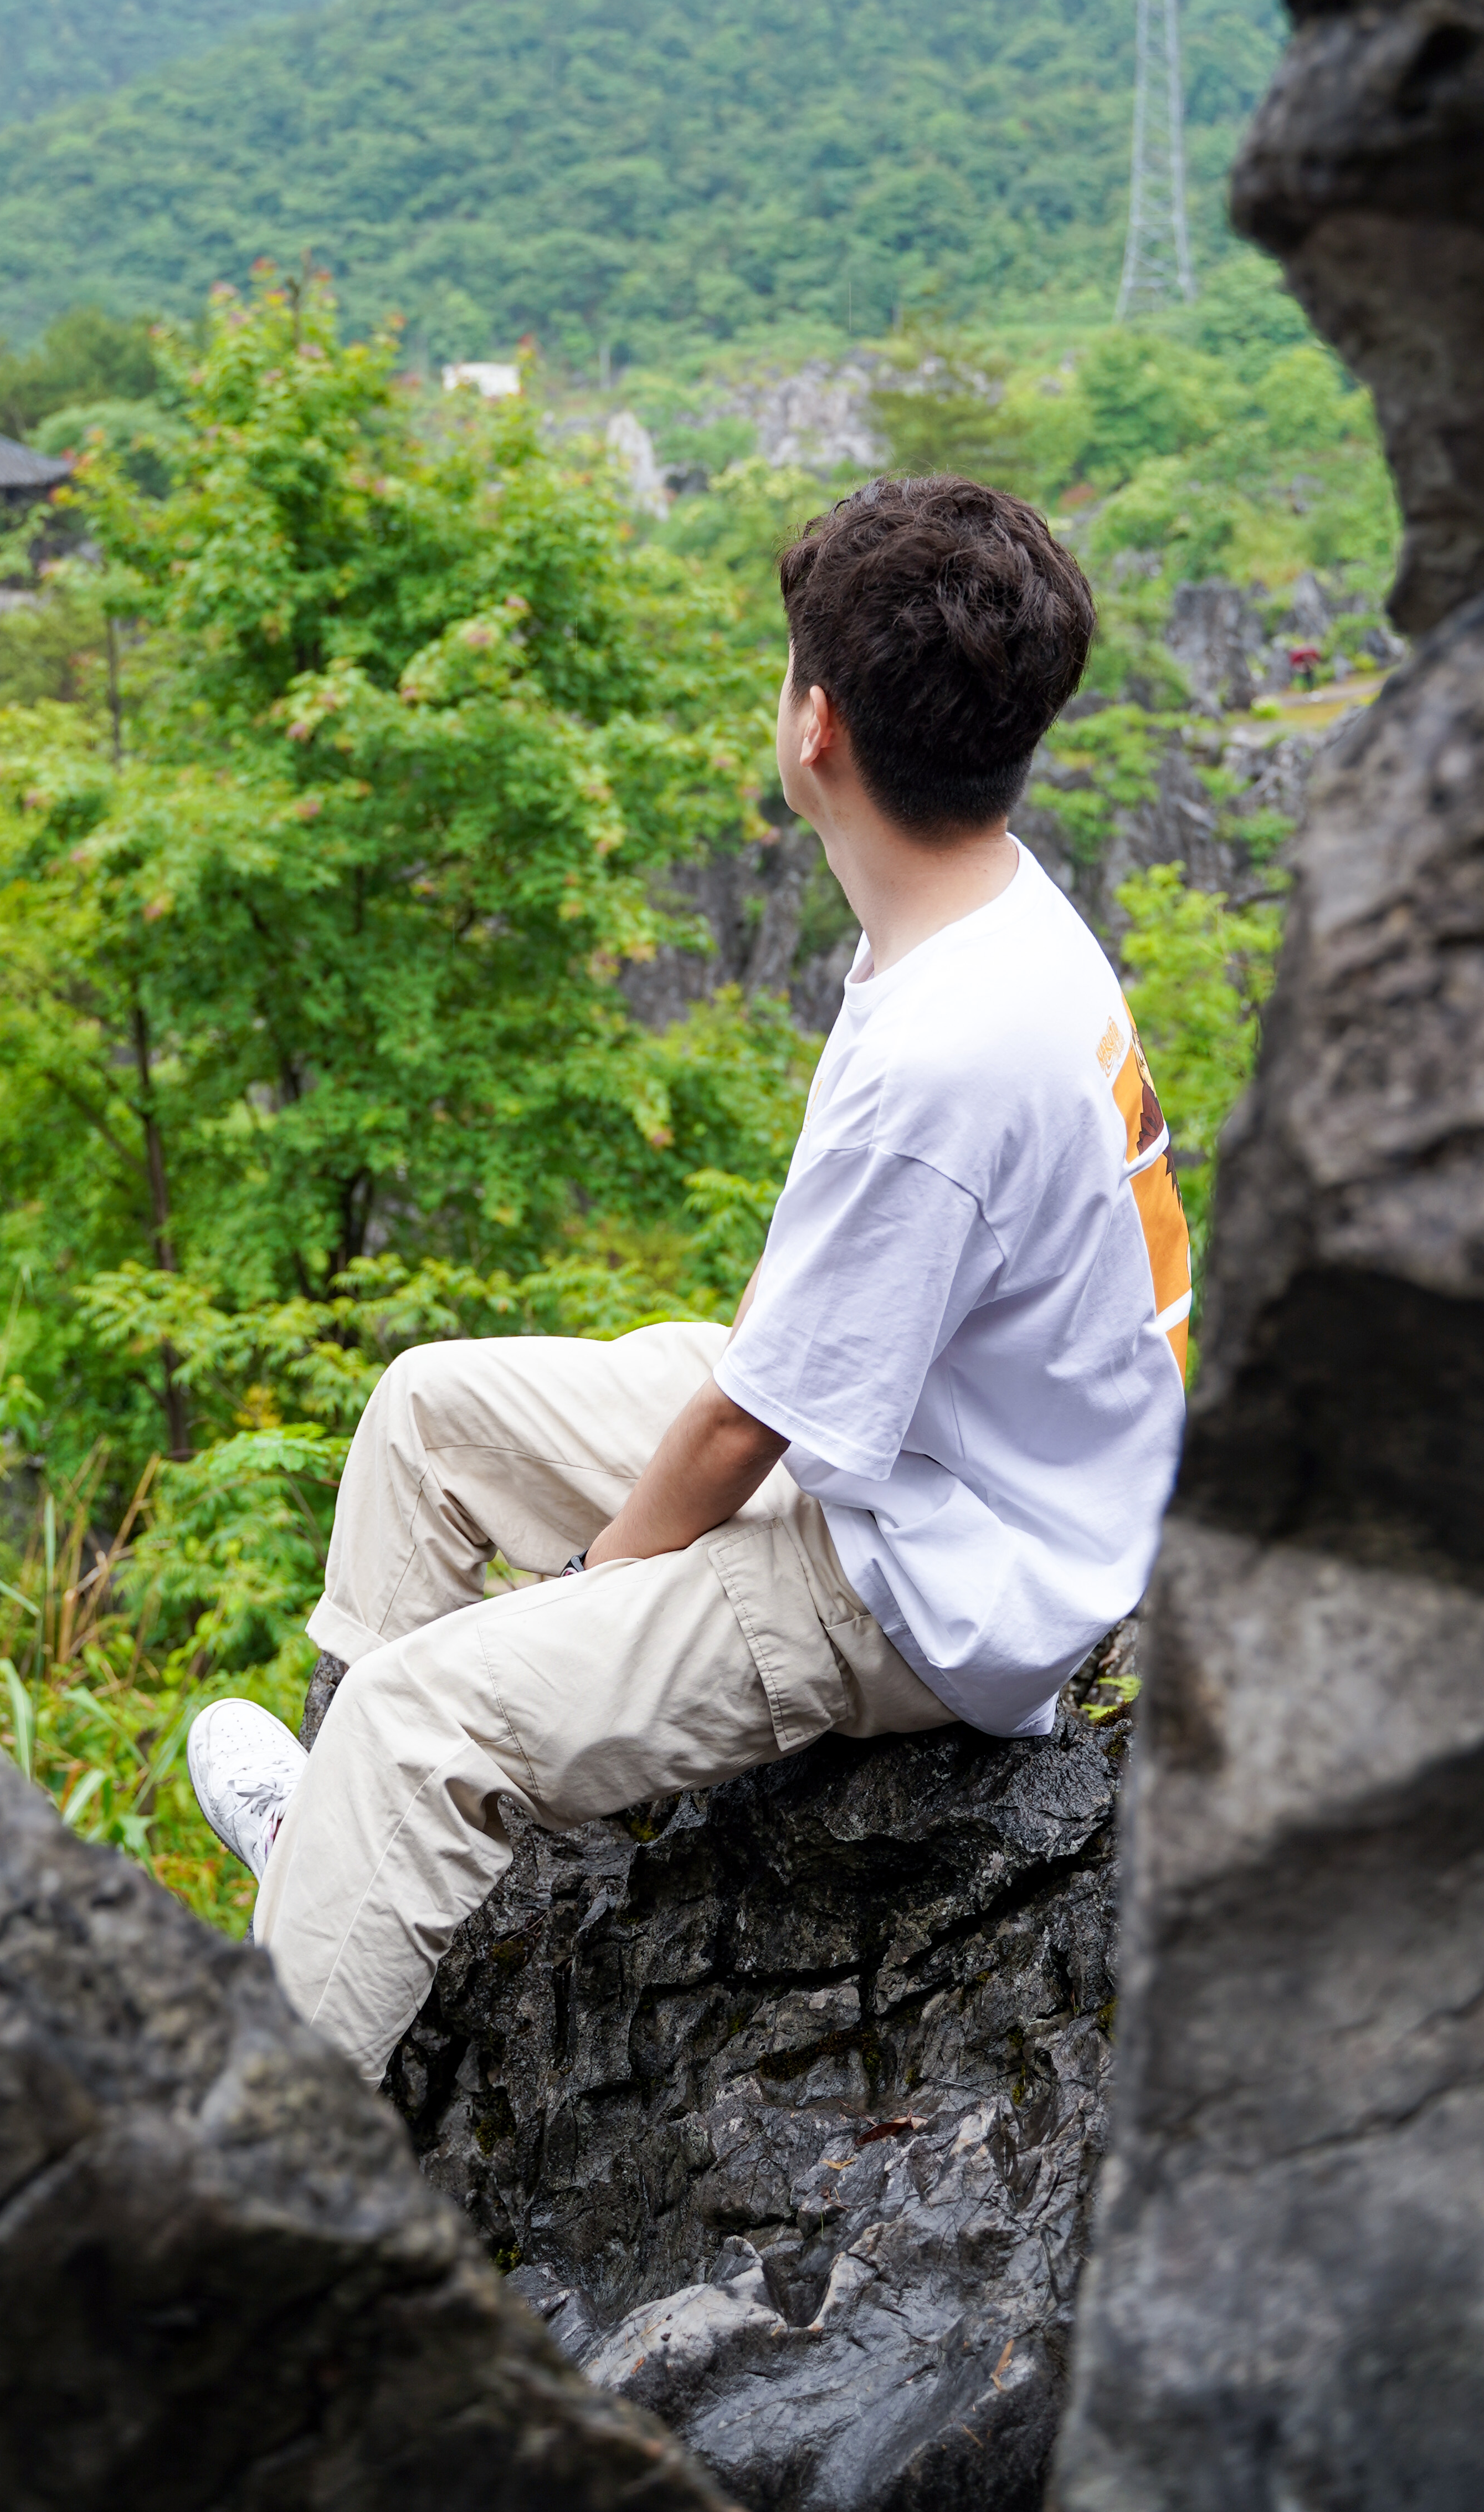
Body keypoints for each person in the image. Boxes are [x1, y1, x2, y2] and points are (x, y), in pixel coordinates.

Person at [186, 475, 1191, 2086]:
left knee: (416, 1723)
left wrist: (598, 1585)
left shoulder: (950, 1053)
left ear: (815, 727)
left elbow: (745, 1430)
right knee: (429, 1412)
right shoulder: (982, 913)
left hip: (946, 1581)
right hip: (938, 1450)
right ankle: (336, 1864)